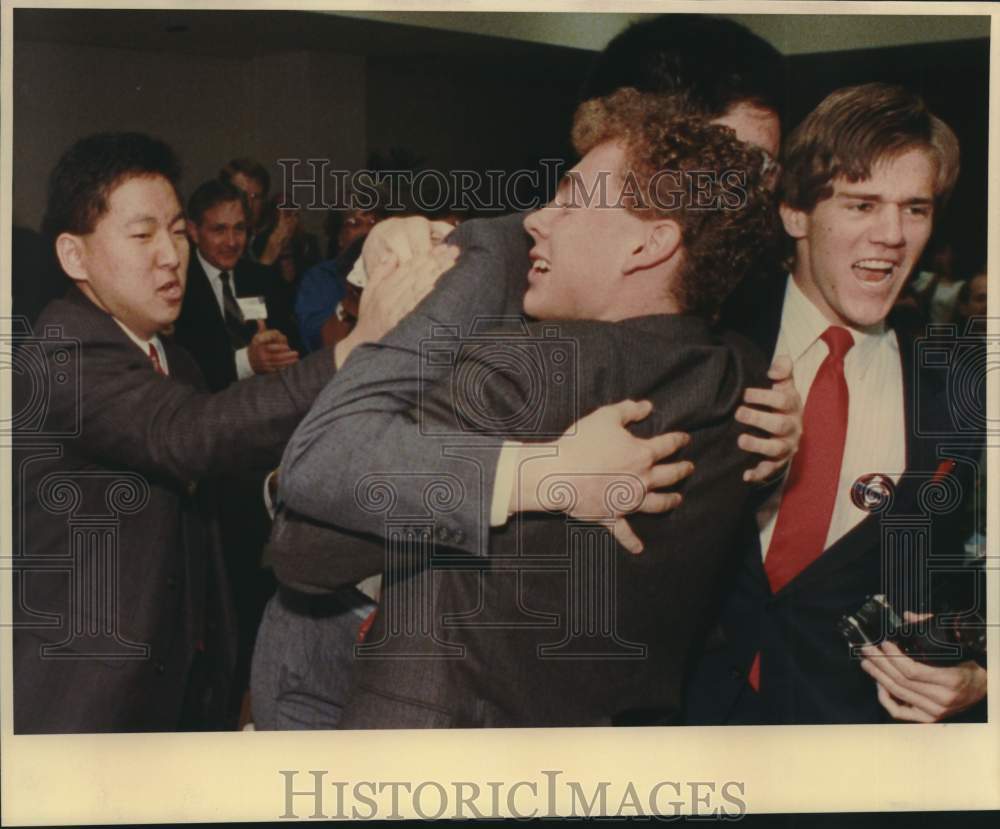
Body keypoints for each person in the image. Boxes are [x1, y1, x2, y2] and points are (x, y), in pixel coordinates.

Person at [256, 14, 801, 729]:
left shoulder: (742, 345)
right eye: (730, 159)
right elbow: (319, 494)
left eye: (762, 169)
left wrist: (783, 441)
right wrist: (539, 473)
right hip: (342, 641)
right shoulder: (500, 260)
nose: (745, 189)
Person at [9, 131, 435, 733]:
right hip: (85, 700)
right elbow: (189, 434)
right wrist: (356, 350)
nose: (169, 255)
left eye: (178, 232)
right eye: (142, 235)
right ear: (75, 256)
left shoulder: (171, 357)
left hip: (179, 690)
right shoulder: (61, 354)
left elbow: (206, 492)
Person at [682, 83, 988, 726]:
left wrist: (979, 667)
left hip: (855, 752)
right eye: (861, 204)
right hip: (687, 741)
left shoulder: (960, 387)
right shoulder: (702, 346)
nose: (892, 235)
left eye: (915, 209)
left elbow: (974, 574)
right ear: (795, 213)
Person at [174, 178, 300, 392]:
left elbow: (294, 347)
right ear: (194, 231)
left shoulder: (262, 278)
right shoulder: (177, 285)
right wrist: (247, 362)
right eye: (219, 230)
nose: (232, 242)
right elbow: (184, 369)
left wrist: (280, 347)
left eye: (239, 229)